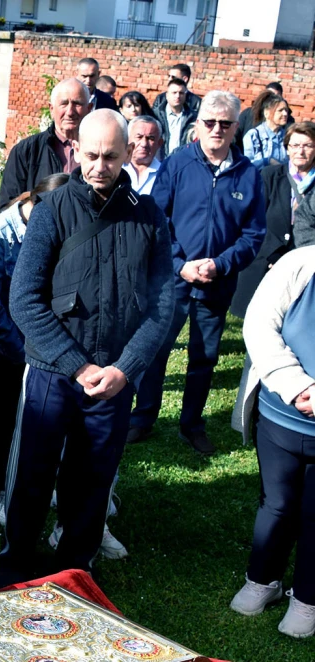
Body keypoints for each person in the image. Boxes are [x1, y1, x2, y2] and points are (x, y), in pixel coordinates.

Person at [0, 109, 174, 586]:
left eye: (111, 156)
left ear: (130, 153)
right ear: (74, 151)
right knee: (31, 477)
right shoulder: (53, 210)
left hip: (114, 376)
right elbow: (25, 300)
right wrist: (77, 366)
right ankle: (14, 568)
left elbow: (163, 304)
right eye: (91, 155)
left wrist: (126, 368)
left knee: (92, 481)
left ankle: (73, 572)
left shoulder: (150, 216)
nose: (99, 166)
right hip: (54, 372)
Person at [128, 91, 266, 453]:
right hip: (173, 278)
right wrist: (180, 263)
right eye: (209, 122)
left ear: (236, 127)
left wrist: (220, 264)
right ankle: (143, 417)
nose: (216, 129)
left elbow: (254, 234)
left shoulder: (249, 175)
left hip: (217, 282)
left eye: (225, 123)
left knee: (203, 357)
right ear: (198, 125)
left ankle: (191, 424)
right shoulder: (177, 164)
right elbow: (158, 219)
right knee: (156, 348)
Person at [0, 173, 69, 534]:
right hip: (1, 345)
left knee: (22, 420)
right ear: (37, 205)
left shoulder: (52, 225)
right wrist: (19, 349)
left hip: (35, 344)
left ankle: (13, 487)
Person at [229, 245, 315, 638]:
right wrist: (298, 387)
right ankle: (261, 581)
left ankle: (306, 601)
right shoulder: (299, 262)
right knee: (276, 504)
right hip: (280, 417)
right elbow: (259, 324)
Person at [231, 122, 315, 317]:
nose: (300, 151)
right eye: (294, 145)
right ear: (287, 148)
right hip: (266, 258)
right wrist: (273, 257)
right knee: (258, 320)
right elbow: (254, 220)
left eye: (307, 145)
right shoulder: (270, 176)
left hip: (305, 262)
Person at [0, 78, 91, 210]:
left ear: (89, 109)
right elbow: (5, 209)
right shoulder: (26, 151)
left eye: (77, 104)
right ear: (51, 109)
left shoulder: (99, 151)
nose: (70, 112)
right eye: (64, 104)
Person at [236, 82, 293, 152]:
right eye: (269, 96)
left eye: (276, 97)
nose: (272, 100)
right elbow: (234, 137)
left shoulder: (287, 121)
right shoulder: (249, 115)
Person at [243, 91, 291, 169]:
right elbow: (248, 165)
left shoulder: (287, 136)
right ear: (266, 113)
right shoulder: (253, 135)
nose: (285, 114)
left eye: (286, 110)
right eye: (280, 110)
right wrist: (267, 161)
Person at [155, 78, 196, 159]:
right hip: (159, 161)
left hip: (183, 161)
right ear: (167, 95)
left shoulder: (193, 117)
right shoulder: (155, 115)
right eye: (174, 93)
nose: (177, 96)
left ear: (185, 95)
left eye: (181, 93)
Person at [122, 116, 164, 195]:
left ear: (159, 143)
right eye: (139, 137)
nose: (144, 144)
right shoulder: (116, 168)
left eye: (150, 138)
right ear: (127, 139)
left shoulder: (165, 174)